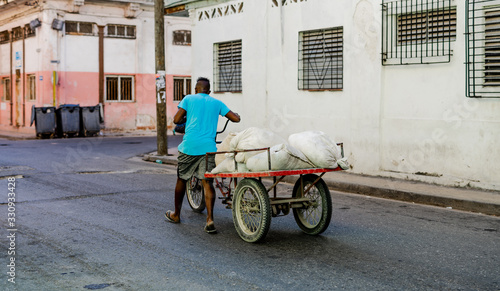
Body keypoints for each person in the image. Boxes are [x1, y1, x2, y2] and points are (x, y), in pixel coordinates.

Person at [164, 77, 240, 234]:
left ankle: (176, 214)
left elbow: (177, 120)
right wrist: (234, 113)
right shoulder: (217, 103)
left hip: (189, 147)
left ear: (195, 90)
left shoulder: (189, 99)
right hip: (208, 148)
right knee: (207, 183)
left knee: (181, 179)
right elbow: (236, 119)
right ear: (209, 91)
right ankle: (210, 219)